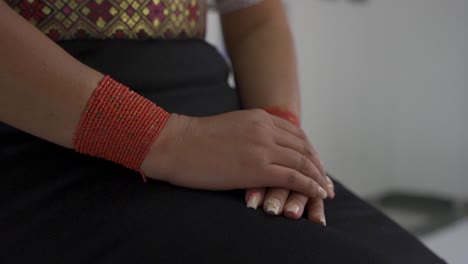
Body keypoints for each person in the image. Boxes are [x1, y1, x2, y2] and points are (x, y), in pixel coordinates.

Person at [0, 0, 444, 263]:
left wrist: (278, 140)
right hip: (44, 140)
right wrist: (169, 141)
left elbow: (256, 19)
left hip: (217, 129)